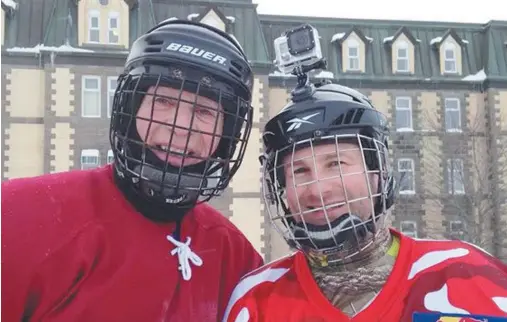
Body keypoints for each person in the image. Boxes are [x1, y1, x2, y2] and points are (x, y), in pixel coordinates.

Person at [2, 19, 263, 322]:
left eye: (204, 111)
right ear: (131, 107)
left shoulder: (235, 257)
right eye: (164, 101)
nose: (180, 127)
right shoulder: (21, 217)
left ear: (226, 135)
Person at [222, 79, 507, 321]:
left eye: (336, 163)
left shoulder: (467, 274)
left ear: (377, 174)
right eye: (299, 171)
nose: (318, 189)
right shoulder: (257, 300)